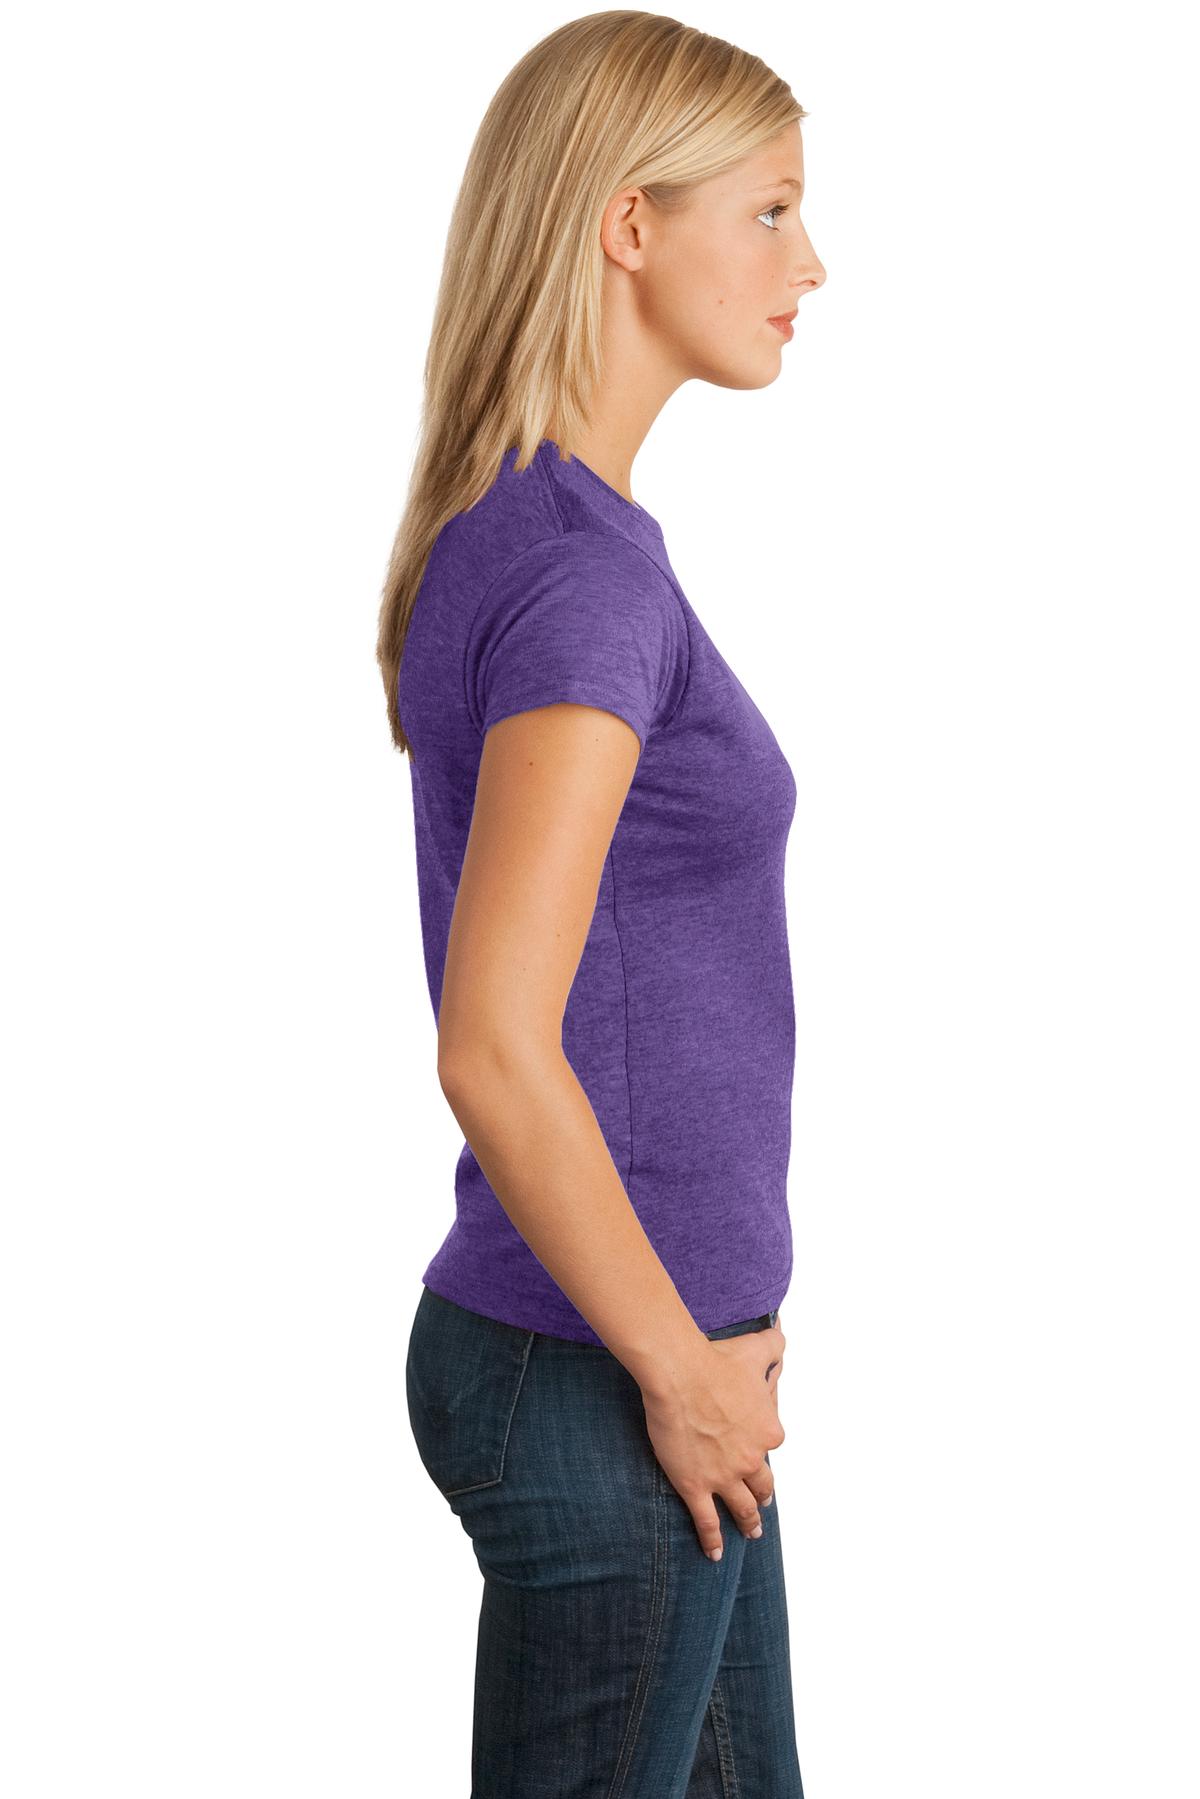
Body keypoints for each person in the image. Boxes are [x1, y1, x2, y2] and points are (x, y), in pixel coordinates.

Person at [375, 13, 826, 1794]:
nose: (810, 263)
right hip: (610, 1380)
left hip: (631, 1367)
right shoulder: (579, 582)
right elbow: (494, 1044)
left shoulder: (539, 535)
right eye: (771, 211)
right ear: (628, 224)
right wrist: (682, 1371)